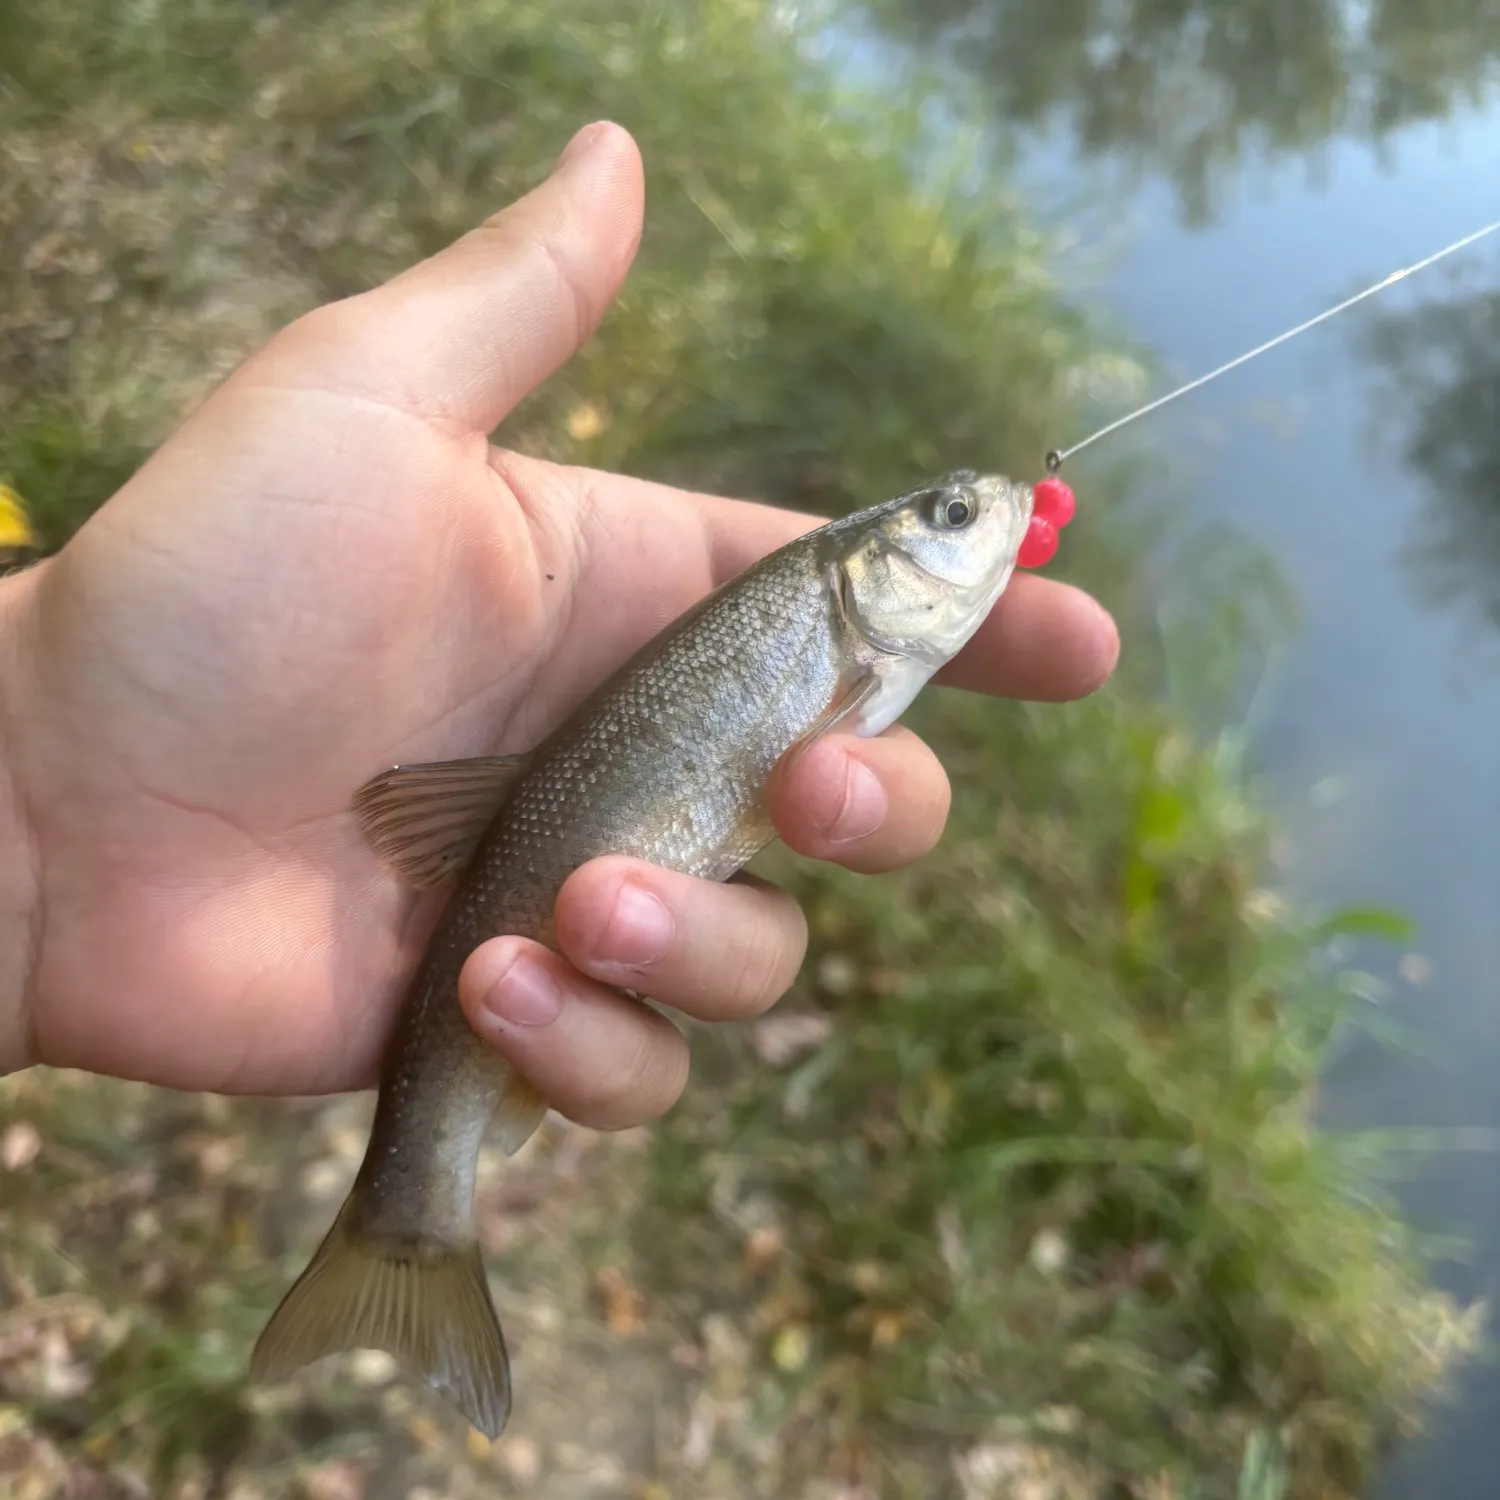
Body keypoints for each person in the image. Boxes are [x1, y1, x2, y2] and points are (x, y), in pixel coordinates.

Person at [0, 122, 1118, 1130]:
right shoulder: (829, 614)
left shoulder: (846, 629)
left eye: (955, 511)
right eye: (953, 515)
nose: (975, 519)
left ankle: (427, 1180)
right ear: (874, 571)